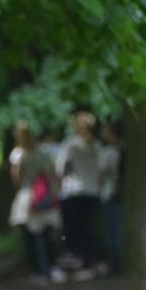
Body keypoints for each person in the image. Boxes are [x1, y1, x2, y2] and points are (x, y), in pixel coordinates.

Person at [7, 121, 66, 285]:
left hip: (29, 197)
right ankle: (52, 267)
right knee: (48, 234)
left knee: (35, 235)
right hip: (46, 197)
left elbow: (16, 179)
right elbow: (53, 174)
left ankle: (41, 270)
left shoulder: (19, 155)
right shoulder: (43, 153)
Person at [55, 110, 102, 279]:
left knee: (75, 229)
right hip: (92, 191)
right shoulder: (97, 145)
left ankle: (79, 262)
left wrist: (60, 189)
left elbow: (59, 169)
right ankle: (88, 262)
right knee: (88, 227)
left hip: (73, 191)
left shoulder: (70, 144)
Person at [97, 121, 123, 274]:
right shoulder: (122, 150)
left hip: (108, 194)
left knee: (111, 232)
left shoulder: (107, 152)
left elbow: (100, 175)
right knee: (116, 231)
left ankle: (114, 267)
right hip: (116, 195)